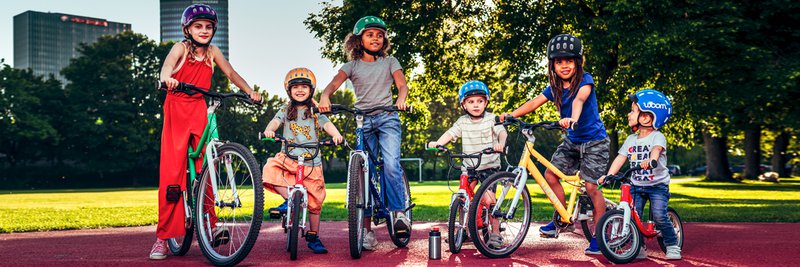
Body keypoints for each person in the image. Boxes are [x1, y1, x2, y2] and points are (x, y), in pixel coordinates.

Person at [151, 3, 262, 260]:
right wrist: (168, 78)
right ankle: (163, 238)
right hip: (177, 108)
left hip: (201, 109)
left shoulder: (213, 52)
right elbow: (167, 66)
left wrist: (249, 91)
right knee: (172, 173)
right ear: (187, 29)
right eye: (198, 26)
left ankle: (210, 226)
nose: (204, 30)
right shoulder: (180, 48)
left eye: (208, 27)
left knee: (208, 170)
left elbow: (232, 73)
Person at [500, 34, 610, 254]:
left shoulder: (585, 80)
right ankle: (563, 218)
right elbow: (534, 102)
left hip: (594, 142)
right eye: (559, 62)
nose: (564, 66)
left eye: (569, 61)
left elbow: (579, 99)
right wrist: (510, 115)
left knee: (591, 187)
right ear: (553, 65)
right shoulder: (554, 87)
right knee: (550, 175)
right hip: (572, 141)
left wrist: (573, 119)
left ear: (578, 62)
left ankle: (600, 236)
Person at [318, 15, 411, 250]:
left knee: (390, 164)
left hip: (388, 117)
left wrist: (401, 100)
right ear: (358, 40)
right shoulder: (352, 66)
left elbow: (402, 85)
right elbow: (333, 84)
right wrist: (325, 96)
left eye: (380, 35)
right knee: (363, 172)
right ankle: (367, 230)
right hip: (363, 120)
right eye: (370, 35)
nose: (376, 38)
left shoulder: (390, 62)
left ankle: (399, 213)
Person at [262, 68, 344, 254]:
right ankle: (289, 199)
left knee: (315, 202)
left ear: (311, 90)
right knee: (269, 168)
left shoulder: (314, 111)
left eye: (304, 87)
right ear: (289, 90)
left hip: (311, 163)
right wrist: (270, 131)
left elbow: (327, 124)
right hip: (288, 158)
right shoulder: (285, 109)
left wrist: (336, 134)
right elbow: (275, 122)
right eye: (296, 87)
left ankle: (313, 236)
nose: (300, 90)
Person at [599, 89, 681, 260]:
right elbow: (620, 158)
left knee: (659, 215)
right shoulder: (631, 139)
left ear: (646, 117)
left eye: (633, 110)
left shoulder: (658, 137)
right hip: (637, 185)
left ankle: (672, 245)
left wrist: (650, 160)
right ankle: (640, 247)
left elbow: (656, 151)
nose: (629, 114)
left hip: (657, 186)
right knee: (633, 216)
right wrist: (609, 175)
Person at [427, 80, 507, 247]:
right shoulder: (462, 121)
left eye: (480, 101)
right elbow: (450, 133)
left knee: (489, 200)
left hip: (489, 166)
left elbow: (502, 132)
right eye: (471, 102)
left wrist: (500, 144)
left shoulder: (492, 119)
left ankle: (495, 232)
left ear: (486, 102)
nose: (476, 105)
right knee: (464, 199)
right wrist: (438, 143)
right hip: (469, 166)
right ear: (464, 104)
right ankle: (464, 231)